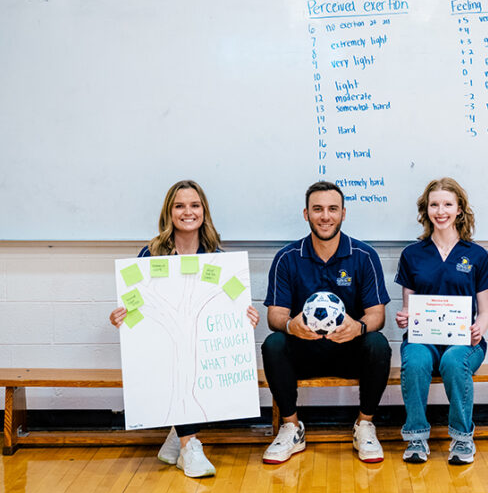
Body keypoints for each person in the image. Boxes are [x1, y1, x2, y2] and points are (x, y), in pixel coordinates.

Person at [108, 179, 260, 477]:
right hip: (163, 348)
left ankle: (177, 439)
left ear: (204, 211)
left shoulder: (217, 258)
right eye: (179, 206)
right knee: (175, 359)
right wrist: (122, 318)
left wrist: (245, 319)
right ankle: (190, 445)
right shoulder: (150, 256)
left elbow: (229, 306)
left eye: (194, 205)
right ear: (169, 212)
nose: (187, 212)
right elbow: (137, 307)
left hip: (201, 348)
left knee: (198, 364)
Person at [260, 181, 391, 464]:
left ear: (344, 213)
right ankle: (291, 428)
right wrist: (290, 325)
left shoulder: (364, 256)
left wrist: (359, 327)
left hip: (348, 351)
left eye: (332, 209)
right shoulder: (287, 258)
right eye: (317, 209)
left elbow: (377, 315)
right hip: (304, 352)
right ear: (306, 214)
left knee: (378, 343)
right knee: (273, 343)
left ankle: (364, 425)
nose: (325, 216)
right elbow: (275, 316)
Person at [394, 177, 488, 465]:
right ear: (426, 210)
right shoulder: (411, 254)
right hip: (423, 339)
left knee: (453, 362)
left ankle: (463, 440)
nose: (441, 211)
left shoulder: (477, 255)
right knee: (414, 360)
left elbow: (485, 312)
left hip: (464, 342)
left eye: (448, 204)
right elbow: (408, 307)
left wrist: (479, 329)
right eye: (434, 204)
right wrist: (405, 317)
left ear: (460, 209)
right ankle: (416, 437)